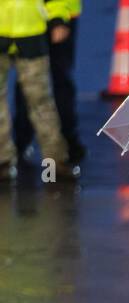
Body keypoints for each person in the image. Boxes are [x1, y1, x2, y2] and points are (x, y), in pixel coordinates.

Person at [0, 0, 74, 181]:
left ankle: (54, 163)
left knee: (41, 102)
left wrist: (58, 18)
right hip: (25, 30)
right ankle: (3, 161)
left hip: (31, 32)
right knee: (41, 104)